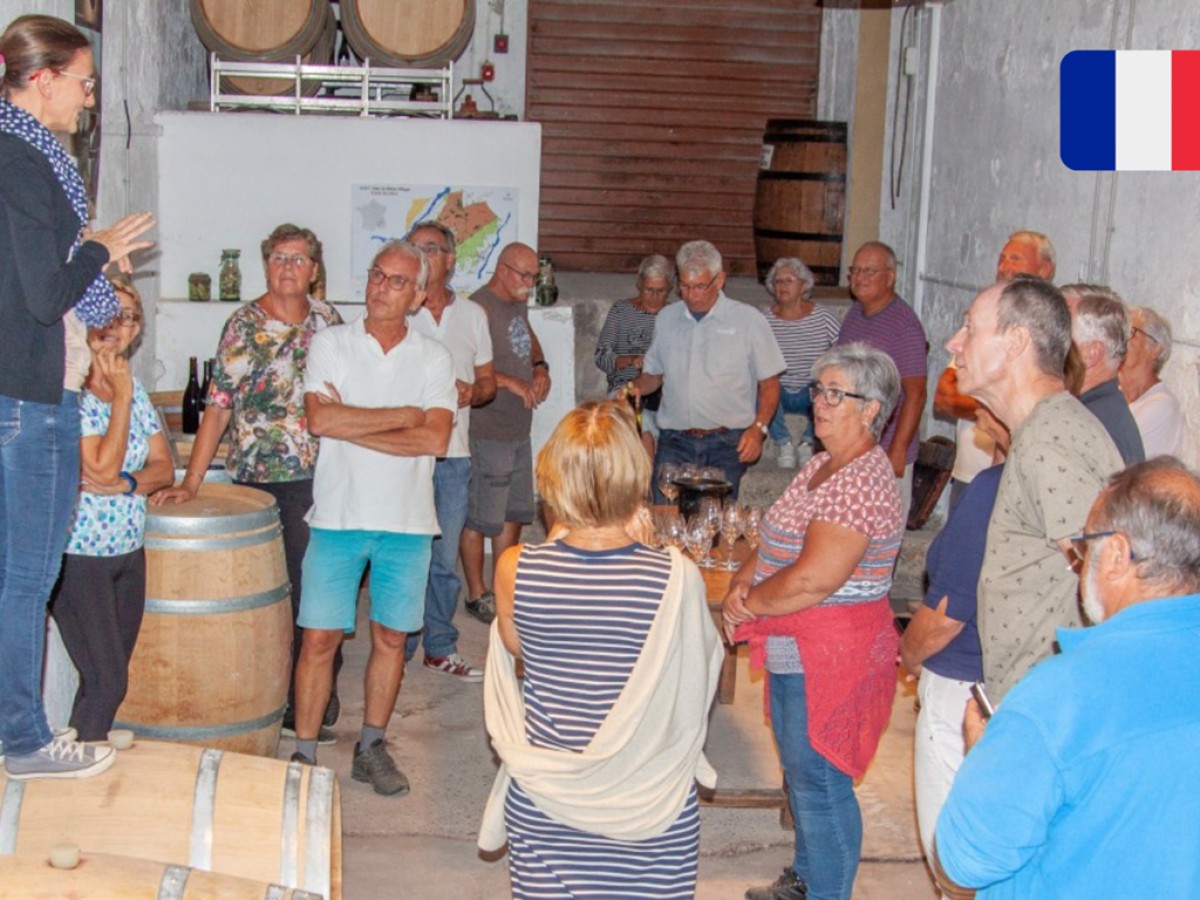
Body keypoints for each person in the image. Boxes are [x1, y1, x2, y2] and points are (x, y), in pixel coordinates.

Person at [479, 400, 723, 898]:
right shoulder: (677, 576)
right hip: (651, 804)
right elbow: (699, 680)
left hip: (549, 803)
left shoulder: (514, 569)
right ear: (635, 478)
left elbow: (519, 649)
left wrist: (563, 532)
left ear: (553, 479)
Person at [0, 13, 155, 780]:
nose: (91, 100)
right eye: (85, 84)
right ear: (43, 79)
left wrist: (93, 257)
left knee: (18, 575)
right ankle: (25, 739)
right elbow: (43, 296)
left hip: (24, 395)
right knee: (28, 578)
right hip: (29, 397)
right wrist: (98, 248)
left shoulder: (27, 160)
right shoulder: (23, 164)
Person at [935, 458, 1200, 898]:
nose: (1079, 565)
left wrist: (986, 758)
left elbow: (962, 864)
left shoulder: (1061, 695)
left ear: (1116, 555)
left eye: (1084, 547)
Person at [723, 343, 905, 900]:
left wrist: (750, 603)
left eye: (835, 394)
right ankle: (805, 878)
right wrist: (741, 582)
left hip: (833, 654)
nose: (818, 403)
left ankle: (826, 891)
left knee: (822, 781)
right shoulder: (823, 464)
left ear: (870, 409)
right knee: (801, 773)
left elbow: (812, 579)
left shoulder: (862, 480)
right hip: (799, 644)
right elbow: (776, 536)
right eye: (818, 390)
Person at [152, 223, 344, 743]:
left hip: (326, 472)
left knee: (323, 581)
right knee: (287, 587)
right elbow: (218, 406)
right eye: (278, 257)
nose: (287, 267)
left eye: (298, 258)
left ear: (314, 269)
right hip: (263, 480)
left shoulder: (328, 321)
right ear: (266, 266)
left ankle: (318, 686)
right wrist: (191, 481)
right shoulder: (243, 325)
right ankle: (299, 695)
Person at [291, 240, 454, 795]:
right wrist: (403, 415)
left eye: (397, 281)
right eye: (376, 275)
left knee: (390, 638)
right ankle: (304, 755)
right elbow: (319, 422)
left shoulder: (433, 357)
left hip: (407, 522)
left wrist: (352, 420)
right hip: (338, 515)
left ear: (419, 296)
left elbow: (435, 438)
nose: (381, 288)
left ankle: (371, 748)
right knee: (319, 639)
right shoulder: (331, 343)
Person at [946, 277, 1123, 703]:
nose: (954, 344)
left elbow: (1111, 580)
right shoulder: (1041, 431)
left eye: (970, 327)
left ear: (1016, 342)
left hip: (1046, 704)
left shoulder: (1050, 442)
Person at [49, 277, 173, 741]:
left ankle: (81, 754)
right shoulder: (68, 387)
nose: (117, 326)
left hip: (128, 552)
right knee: (108, 680)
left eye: (129, 318)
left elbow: (164, 468)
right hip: (79, 556)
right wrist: (119, 399)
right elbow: (99, 465)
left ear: (136, 331)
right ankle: (74, 763)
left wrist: (125, 484)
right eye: (108, 313)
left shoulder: (133, 387)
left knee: (105, 678)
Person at [900, 406, 1008, 879]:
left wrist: (909, 654)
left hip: (962, 685)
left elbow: (946, 615)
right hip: (1000, 674)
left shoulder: (993, 488)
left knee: (954, 855)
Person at [404, 220, 496, 681]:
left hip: (454, 455)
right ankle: (397, 644)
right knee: (404, 552)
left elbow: (488, 383)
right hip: (403, 452)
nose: (421, 255)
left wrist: (471, 393)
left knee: (443, 560)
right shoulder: (399, 308)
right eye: (413, 247)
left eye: (430, 248)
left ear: (450, 259)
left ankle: (439, 646)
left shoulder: (473, 315)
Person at [633, 240, 784, 499]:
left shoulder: (748, 320)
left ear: (720, 280)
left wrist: (758, 429)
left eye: (700, 286)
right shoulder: (667, 318)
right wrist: (635, 388)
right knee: (664, 516)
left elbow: (770, 383)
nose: (691, 295)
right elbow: (654, 375)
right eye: (684, 286)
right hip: (674, 441)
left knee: (715, 519)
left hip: (726, 442)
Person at [459, 242, 551, 626]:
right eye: (525, 276)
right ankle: (476, 593)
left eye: (534, 277)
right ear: (503, 270)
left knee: (513, 512)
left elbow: (527, 337)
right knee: (481, 517)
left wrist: (540, 366)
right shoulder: (477, 308)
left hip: (518, 429)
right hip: (488, 430)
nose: (531, 284)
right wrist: (510, 381)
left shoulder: (516, 302)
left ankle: (502, 586)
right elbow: (463, 367)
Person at [934, 230, 1055, 506]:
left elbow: (1039, 407)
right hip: (968, 473)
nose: (1004, 266)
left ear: (1045, 270)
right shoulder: (985, 318)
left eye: (1015, 259)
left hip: (1015, 477)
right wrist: (999, 404)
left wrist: (977, 398)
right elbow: (944, 396)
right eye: (1002, 258)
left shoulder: (1050, 328)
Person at [836, 241, 927, 524]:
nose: (859, 277)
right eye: (855, 270)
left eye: (869, 271)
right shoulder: (854, 314)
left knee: (881, 529)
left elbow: (916, 394)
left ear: (889, 277)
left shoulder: (904, 326)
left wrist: (897, 450)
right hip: (851, 444)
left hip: (885, 449)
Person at [760, 257, 840, 468]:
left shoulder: (823, 316)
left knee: (832, 386)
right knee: (761, 384)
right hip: (778, 391)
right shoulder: (764, 319)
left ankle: (807, 442)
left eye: (789, 280)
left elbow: (843, 351)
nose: (782, 286)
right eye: (778, 281)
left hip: (811, 390)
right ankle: (783, 443)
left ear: (804, 285)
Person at [594, 253, 673, 458]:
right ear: (639, 285)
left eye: (661, 291)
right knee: (643, 429)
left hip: (666, 393)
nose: (654, 296)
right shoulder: (621, 311)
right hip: (625, 389)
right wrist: (630, 360)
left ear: (670, 288)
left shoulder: (675, 315)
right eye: (649, 290)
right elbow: (601, 356)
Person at [1065, 284, 1145, 465]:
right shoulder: (1100, 408)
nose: (1045, 343)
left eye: (1060, 333)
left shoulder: (1089, 423)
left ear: (1091, 353)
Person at [1120, 305, 1184, 458]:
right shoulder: (1112, 392)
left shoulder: (1162, 405)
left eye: (1131, 331)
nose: (1120, 338)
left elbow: (1120, 453)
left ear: (1156, 349)